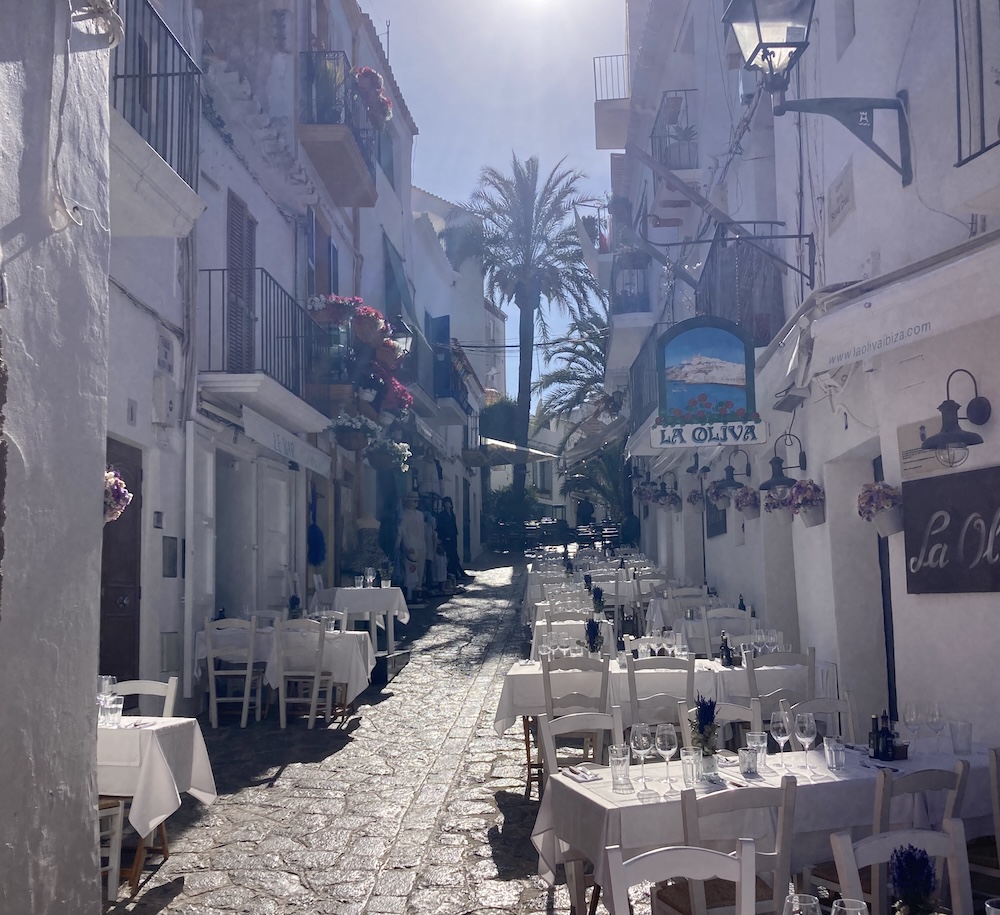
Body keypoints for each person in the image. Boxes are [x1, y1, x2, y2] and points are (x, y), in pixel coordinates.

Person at [437, 496, 472, 582]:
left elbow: (453, 526)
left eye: (449, 502)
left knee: (454, 555)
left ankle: (457, 573)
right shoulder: (442, 515)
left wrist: (455, 534)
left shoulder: (452, 514)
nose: (448, 504)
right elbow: (441, 527)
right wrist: (444, 536)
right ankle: (459, 573)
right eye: (446, 502)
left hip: (453, 537)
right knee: (452, 556)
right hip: (446, 538)